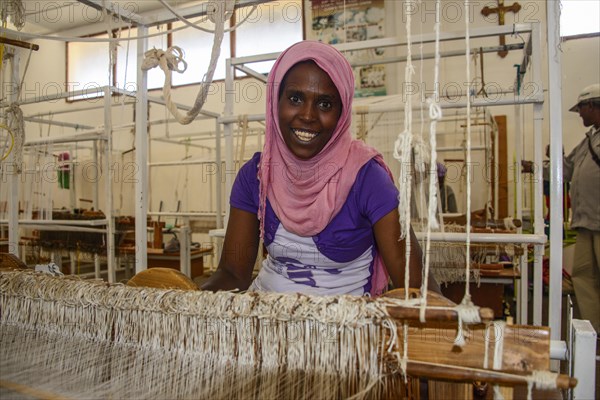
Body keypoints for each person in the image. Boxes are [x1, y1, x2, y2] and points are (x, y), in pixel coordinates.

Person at [201, 41, 429, 296]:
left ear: (342, 113)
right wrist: (187, 303)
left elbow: (416, 287)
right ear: (275, 104)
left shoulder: (367, 178)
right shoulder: (256, 175)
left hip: (344, 328)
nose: (308, 116)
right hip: (266, 319)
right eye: (295, 98)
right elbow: (233, 273)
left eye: (324, 104)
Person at [563, 83, 600, 332]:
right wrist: (534, 167)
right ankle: (593, 332)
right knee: (582, 276)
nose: (579, 114)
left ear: (592, 105)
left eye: (581, 109)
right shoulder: (589, 140)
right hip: (587, 222)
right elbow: (565, 169)